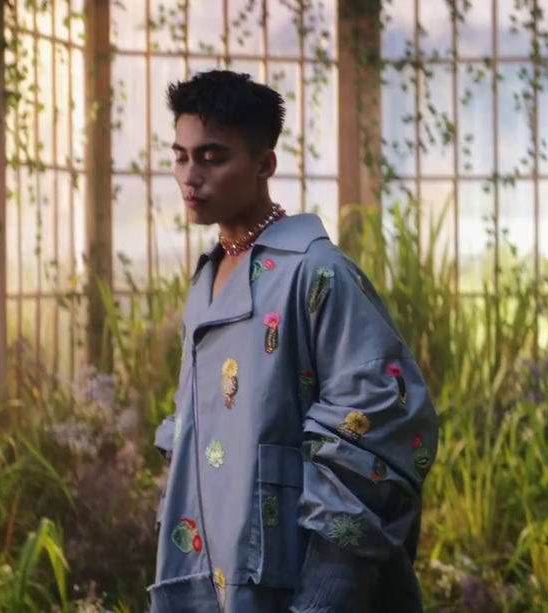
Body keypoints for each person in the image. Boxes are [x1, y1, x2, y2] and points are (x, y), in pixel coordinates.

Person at [147, 69, 440, 612]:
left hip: (297, 575)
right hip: (217, 565)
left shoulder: (317, 271)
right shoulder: (208, 275)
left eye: (212, 157)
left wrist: (327, 590)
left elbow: (380, 420)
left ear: (264, 164)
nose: (190, 176)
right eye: (180, 156)